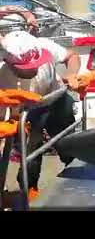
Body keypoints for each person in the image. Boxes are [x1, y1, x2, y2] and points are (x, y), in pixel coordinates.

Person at [0, 31, 80, 201]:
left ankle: (76, 170)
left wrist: (72, 73)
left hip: (56, 99)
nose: (33, 70)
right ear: (9, 63)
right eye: (27, 69)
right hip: (26, 113)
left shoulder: (44, 44)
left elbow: (71, 56)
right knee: (30, 150)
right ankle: (29, 189)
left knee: (68, 139)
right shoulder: (2, 75)